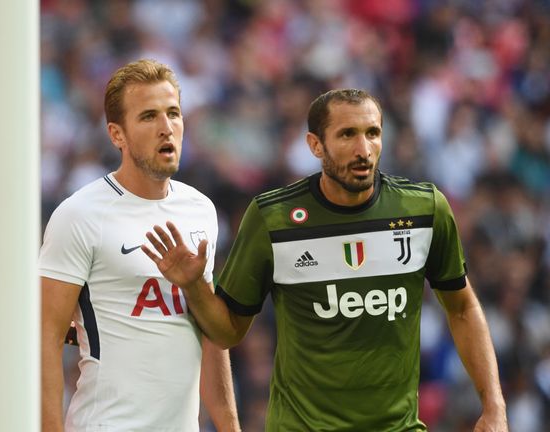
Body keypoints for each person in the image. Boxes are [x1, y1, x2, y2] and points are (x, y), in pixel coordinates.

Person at [143, 88, 508, 431]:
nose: (363, 149)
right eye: (347, 134)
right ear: (315, 145)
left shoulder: (424, 209)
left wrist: (494, 406)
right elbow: (228, 331)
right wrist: (194, 286)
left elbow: (462, 309)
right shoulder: (274, 218)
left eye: (373, 133)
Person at [40, 59, 240, 432]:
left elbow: (211, 334)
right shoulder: (80, 214)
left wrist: (230, 427)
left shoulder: (200, 210)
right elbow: (45, 339)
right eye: (148, 116)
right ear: (117, 134)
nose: (166, 128)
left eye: (173, 113)